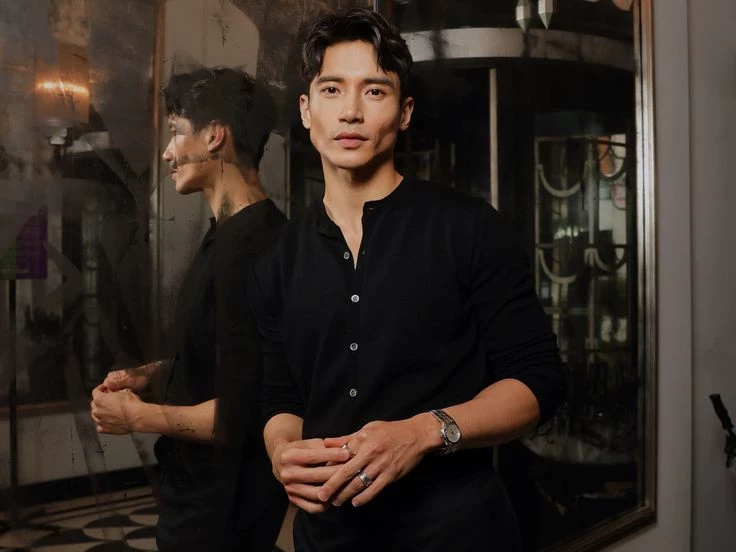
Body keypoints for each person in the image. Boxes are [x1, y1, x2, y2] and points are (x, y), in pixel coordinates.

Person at [248, 8, 566, 552]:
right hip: (330, 540)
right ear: (305, 109)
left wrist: (422, 433)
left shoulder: (467, 227)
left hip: (460, 536)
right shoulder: (276, 259)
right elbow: (281, 398)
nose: (350, 111)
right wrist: (282, 452)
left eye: (374, 91)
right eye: (331, 89)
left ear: (405, 112)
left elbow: (539, 382)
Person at [90, 67, 288, 552]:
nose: (167, 153)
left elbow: (237, 414)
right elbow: (230, 358)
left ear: (215, 135)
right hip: (199, 495)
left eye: (177, 132)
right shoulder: (229, 233)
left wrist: (135, 417)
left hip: (222, 509)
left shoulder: (255, 248)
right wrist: (151, 374)